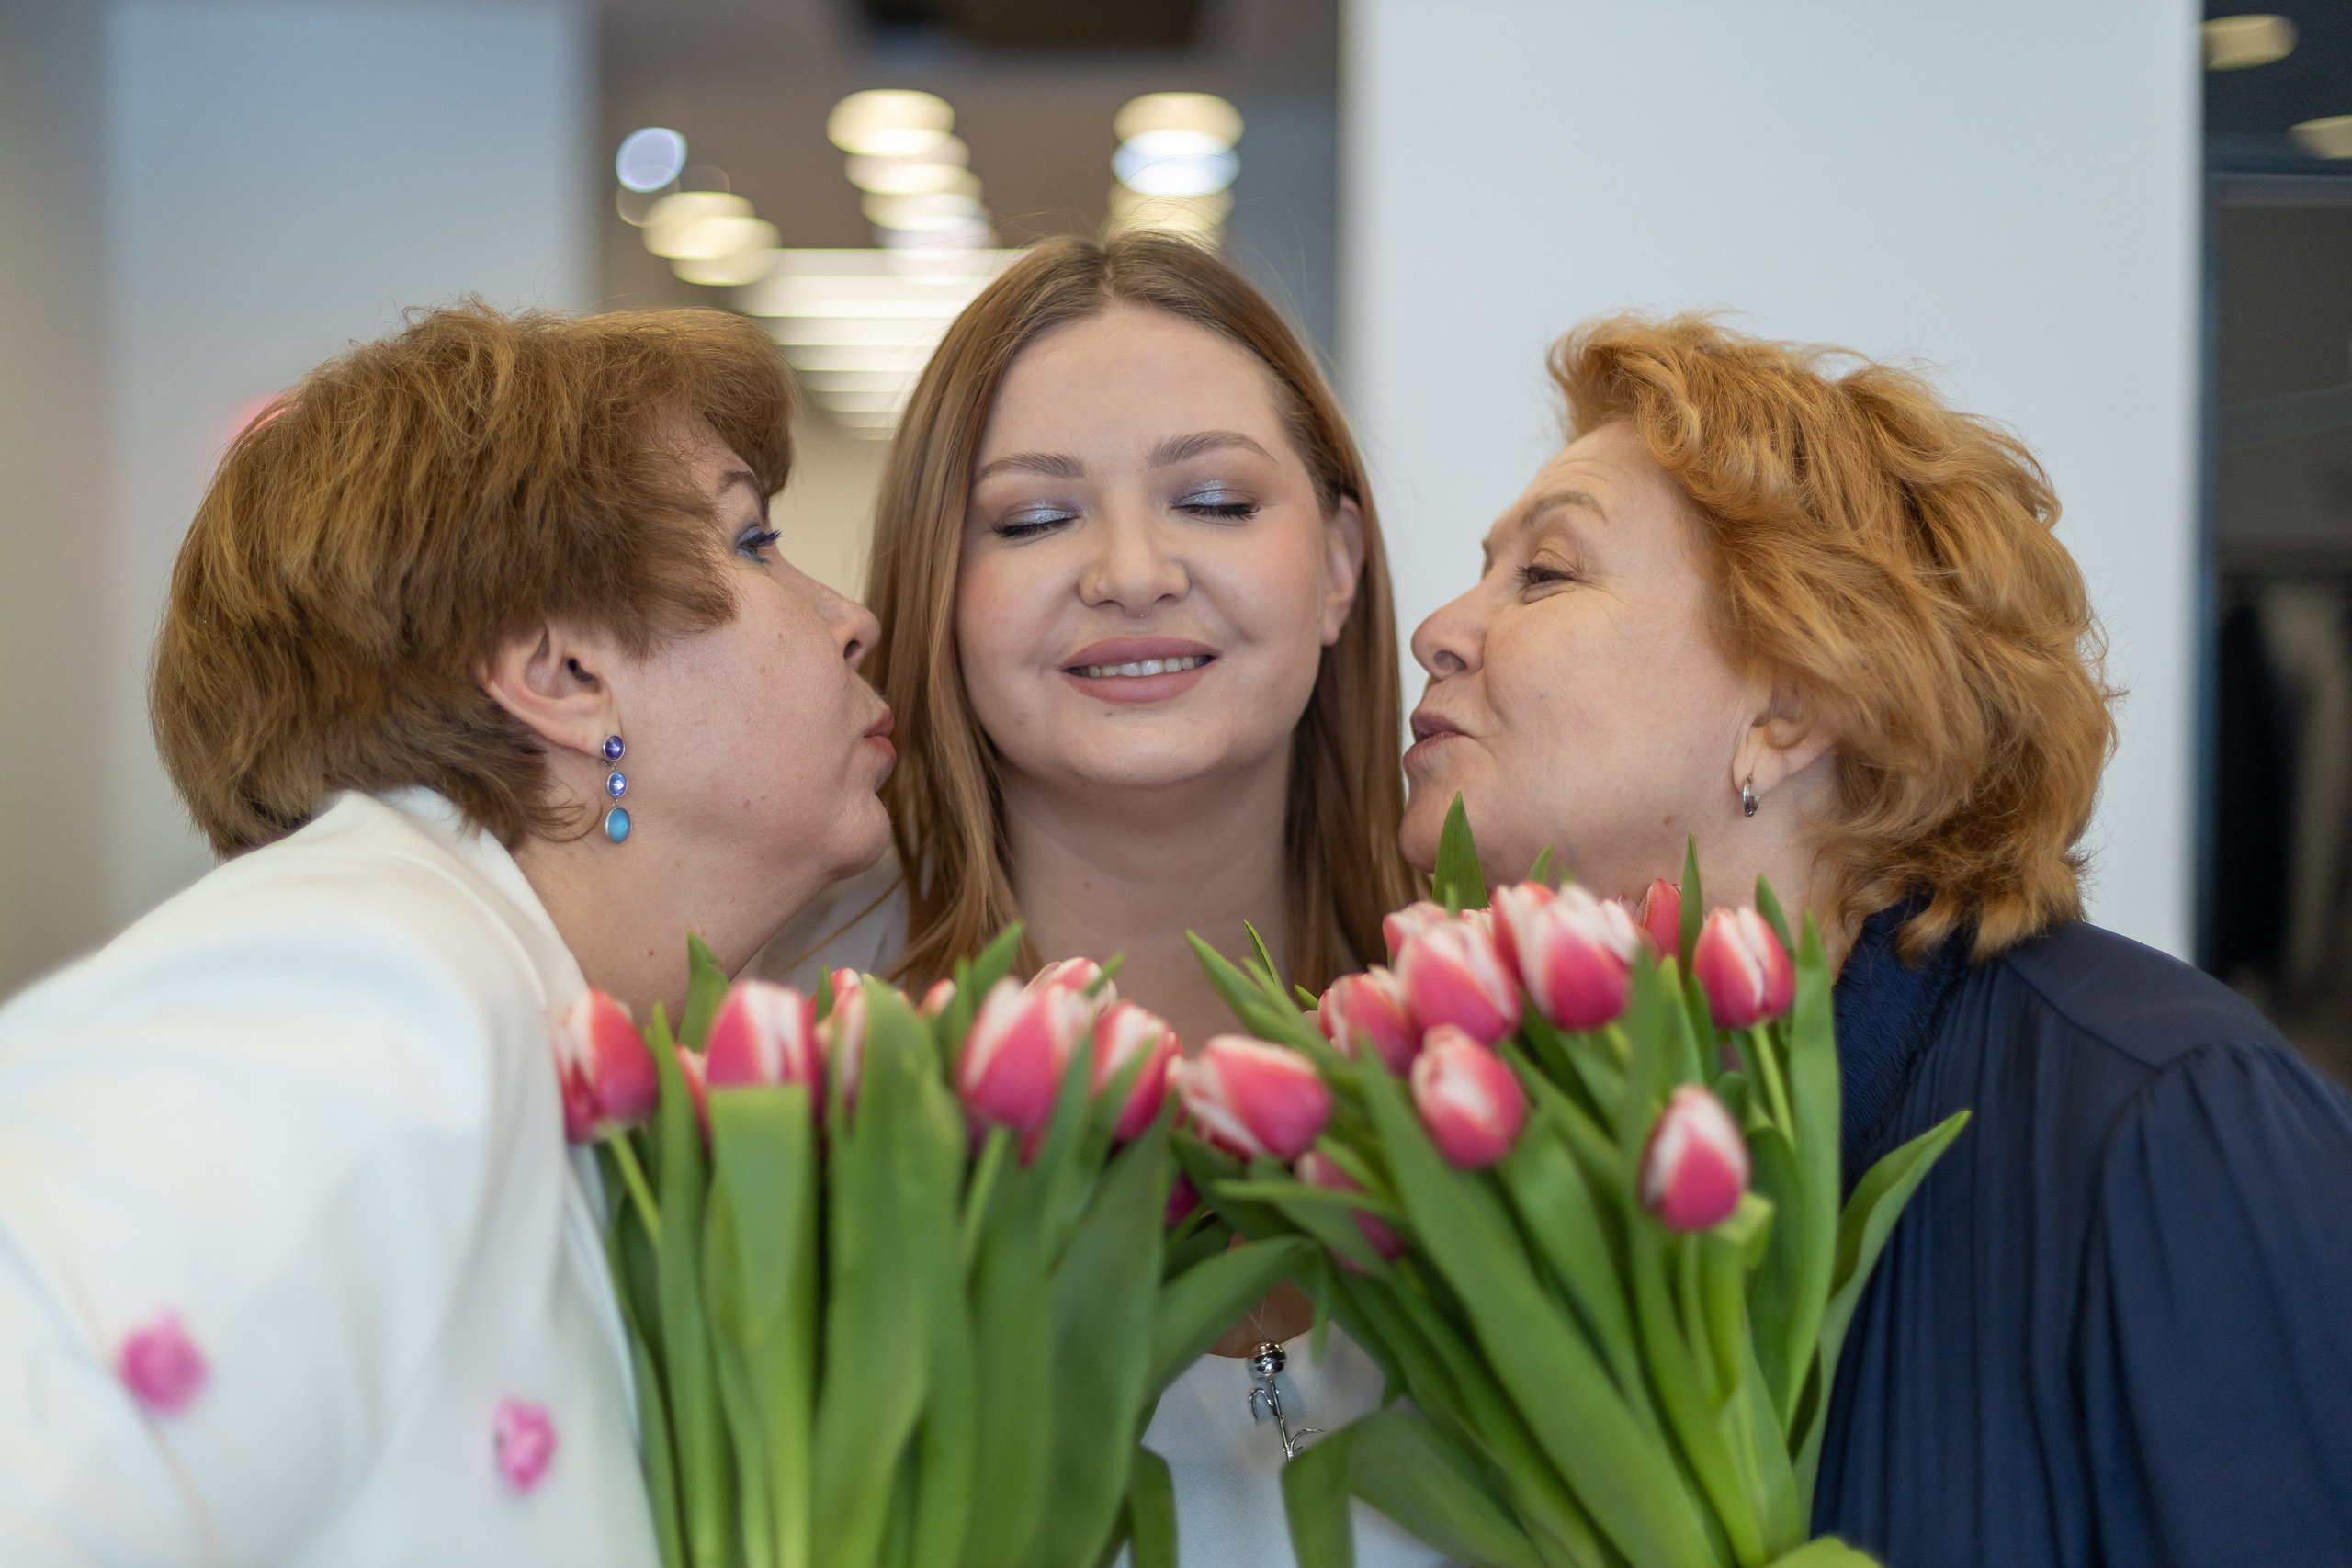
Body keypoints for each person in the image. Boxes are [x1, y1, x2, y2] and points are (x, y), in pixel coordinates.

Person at [1402, 312, 2352, 1562]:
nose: (1439, 628)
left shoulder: (2171, 1122)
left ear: (1793, 704)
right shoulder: (1550, 1149)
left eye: (1546, 573)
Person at [0, 303, 896, 1564]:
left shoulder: (520, 1019)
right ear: (565, 677)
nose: (849, 614)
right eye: (756, 541)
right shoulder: (367, 997)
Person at [752, 232, 1431, 1565]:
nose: (1130, 571)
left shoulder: (1535, 1064)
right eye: (1035, 519)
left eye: (1218, 502)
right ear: (937, 589)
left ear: (1341, 565)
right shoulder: (799, 1091)